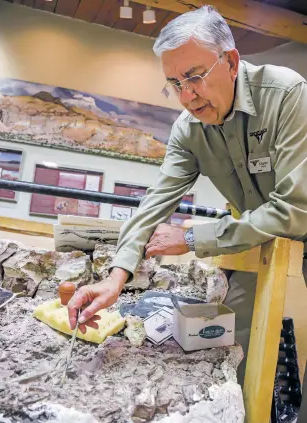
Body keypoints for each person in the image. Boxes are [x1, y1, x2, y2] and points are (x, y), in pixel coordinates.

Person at [68, 6, 307, 387]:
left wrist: (192, 238)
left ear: (230, 62)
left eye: (193, 77)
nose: (186, 95)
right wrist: (116, 278)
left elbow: (295, 209)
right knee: (236, 345)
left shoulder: (286, 94)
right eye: (174, 83)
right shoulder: (187, 129)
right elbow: (154, 204)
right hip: (254, 240)